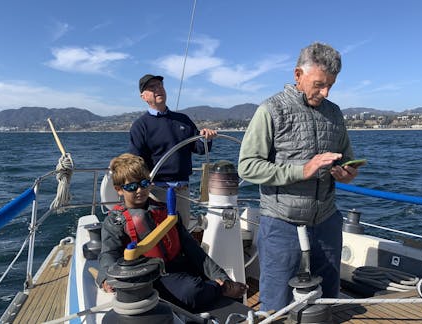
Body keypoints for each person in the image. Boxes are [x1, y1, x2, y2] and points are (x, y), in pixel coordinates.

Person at [237, 42, 359, 312]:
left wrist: (347, 173)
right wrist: (301, 170)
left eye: (330, 85)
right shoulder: (270, 110)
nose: (325, 92)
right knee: (276, 305)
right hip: (282, 224)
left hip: (326, 221)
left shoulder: (335, 113)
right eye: (319, 84)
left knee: (327, 300)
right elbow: (247, 167)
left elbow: (346, 158)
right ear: (297, 75)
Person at [97, 153, 247, 312]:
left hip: (179, 265)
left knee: (230, 287)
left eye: (144, 183)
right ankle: (217, 289)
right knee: (192, 292)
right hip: (152, 276)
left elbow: (193, 249)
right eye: (132, 187)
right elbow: (108, 253)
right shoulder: (116, 222)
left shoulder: (165, 211)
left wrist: (222, 277)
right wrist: (106, 278)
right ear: (119, 190)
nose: (140, 190)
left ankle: (220, 288)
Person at [128, 74, 217, 229]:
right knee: (159, 236)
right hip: (156, 191)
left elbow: (200, 148)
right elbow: (136, 162)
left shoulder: (182, 119)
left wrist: (206, 138)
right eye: (152, 87)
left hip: (182, 190)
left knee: (182, 233)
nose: (158, 89)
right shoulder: (140, 125)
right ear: (143, 96)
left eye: (160, 85)